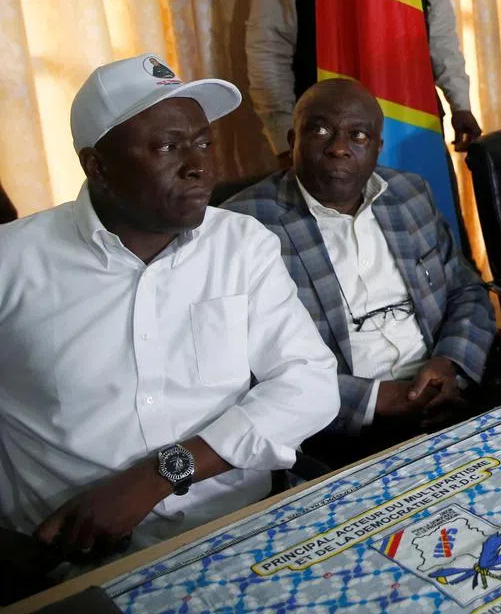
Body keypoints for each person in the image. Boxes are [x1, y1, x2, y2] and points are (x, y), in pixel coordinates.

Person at [0, 55, 338, 568]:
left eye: (203, 143)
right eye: (167, 146)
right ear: (97, 165)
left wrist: (158, 475)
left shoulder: (240, 244)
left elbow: (310, 382)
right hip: (69, 560)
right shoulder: (13, 262)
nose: (198, 164)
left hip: (240, 530)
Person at [224, 79, 495, 468]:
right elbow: (240, 364)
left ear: (377, 147)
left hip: (447, 397)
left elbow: (466, 291)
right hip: (338, 434)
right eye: (319, 131)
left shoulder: (409, 193)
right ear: (291, 140)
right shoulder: (243, 225)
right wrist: (375, 400)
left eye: (358, 135)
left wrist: (450, 364)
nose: (338, 148)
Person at [246, 0, 482, 160]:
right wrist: (282, 137)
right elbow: (269, 44)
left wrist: (460, 103)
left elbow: (438, 26)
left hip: (415, 122)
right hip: (329, 143)